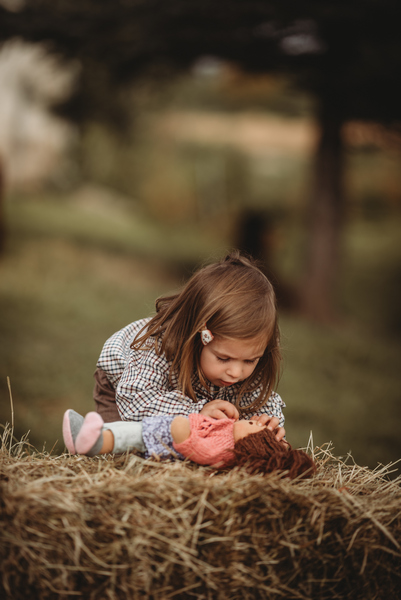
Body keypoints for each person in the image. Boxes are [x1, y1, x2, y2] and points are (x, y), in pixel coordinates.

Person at [93, 251, 286, 440]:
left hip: (190, 389)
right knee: (134, 444)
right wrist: (196, 412)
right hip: (125, 387)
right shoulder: (158, 347)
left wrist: (266, 424)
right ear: (198, 335)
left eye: (250, 360)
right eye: (223, 358)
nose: (236, 372)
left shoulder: (247, 355)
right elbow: (136, 404)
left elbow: (257, 401)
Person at [63, 408, 316, 479]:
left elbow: (200, 450)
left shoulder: (225, 451)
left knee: (129, 436)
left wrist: (183, 433)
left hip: (165, 440)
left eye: (253, 427)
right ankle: (88, 435)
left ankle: (94, 443)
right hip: (162, 430)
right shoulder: (230, 433)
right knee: (128, 431)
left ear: (250, 443)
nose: (252, 421)